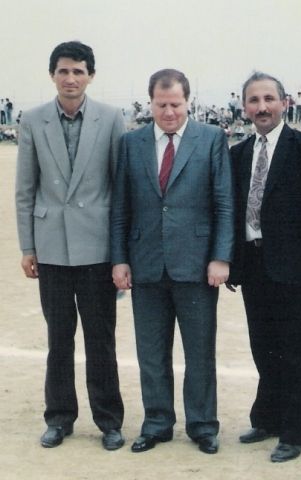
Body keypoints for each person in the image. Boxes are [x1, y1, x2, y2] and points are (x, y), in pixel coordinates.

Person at [110, 69, 233, 455]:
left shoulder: (211, 138)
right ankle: (157, 423)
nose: (168, 112)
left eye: (176, 104)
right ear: (149, 103)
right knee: (151, 353)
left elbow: (224, 204)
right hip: (145, 264)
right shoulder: (130, 143)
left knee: (200, 353)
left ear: (188, 102)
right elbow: (120, 207)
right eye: (161, 104)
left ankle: (203, 425)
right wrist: (119, 259)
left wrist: (220, 257)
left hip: (196, 266)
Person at [14, 41, 125, 450]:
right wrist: (28, 247)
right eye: (63, 71)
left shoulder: (111, 118)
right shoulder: (33, 120)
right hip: (52, 249)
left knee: (101, 339)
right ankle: (59, 418)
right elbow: (26, 189)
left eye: (78, 71)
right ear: (52, 75)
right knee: (58, 338)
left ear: (90, 76)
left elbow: (120, 188)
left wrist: (120, 253)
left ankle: (109, 421)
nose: (71, 79)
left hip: (98, 249)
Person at [228, 71, 301, 463]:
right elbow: (234, 211)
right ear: (245, 107)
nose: (262, 107)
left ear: (285, 103)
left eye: (269, 99)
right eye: (254, 100)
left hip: (293, 266)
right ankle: (267, 418)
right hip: (253, 263)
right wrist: (233, 264)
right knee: (262, 346)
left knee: (293, 350)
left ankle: (296, 431)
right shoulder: (238, 154)